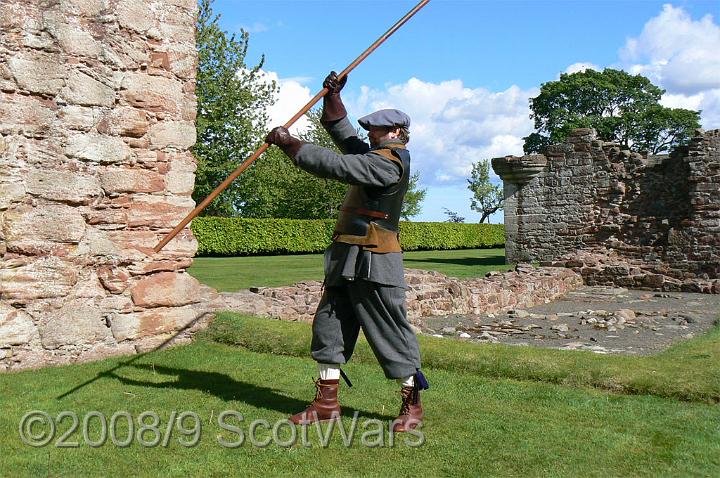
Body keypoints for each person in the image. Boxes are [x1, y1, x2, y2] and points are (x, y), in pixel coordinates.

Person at [264, 71, 428, 432]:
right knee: (329, 326)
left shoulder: (388, 163)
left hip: (376, 259)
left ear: (397, 133)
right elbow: (344, 135)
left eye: (379, 131)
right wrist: (332, 97)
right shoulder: (374, 154)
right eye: (371, 130)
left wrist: (291, 145)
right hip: (345, 255)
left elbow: (337, 165)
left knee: (390, 330)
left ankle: (411, 406)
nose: (371, 134)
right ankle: (326, 404)